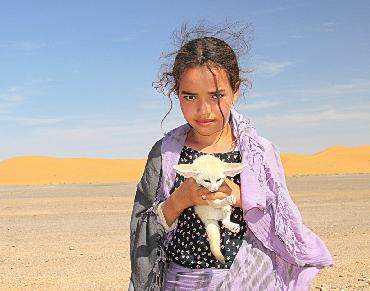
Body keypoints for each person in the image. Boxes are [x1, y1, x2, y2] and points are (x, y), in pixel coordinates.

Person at [129, 23, 333, 291]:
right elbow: (140, 228)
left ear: (235, 90)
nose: (203, 110)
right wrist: (178, 201)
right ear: (176, 93)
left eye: (216, 96)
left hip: (252, 279)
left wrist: (241, 197)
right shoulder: (164, 154)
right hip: (179, 282)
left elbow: (286, 225)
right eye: (189, 96)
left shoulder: (260, 153)